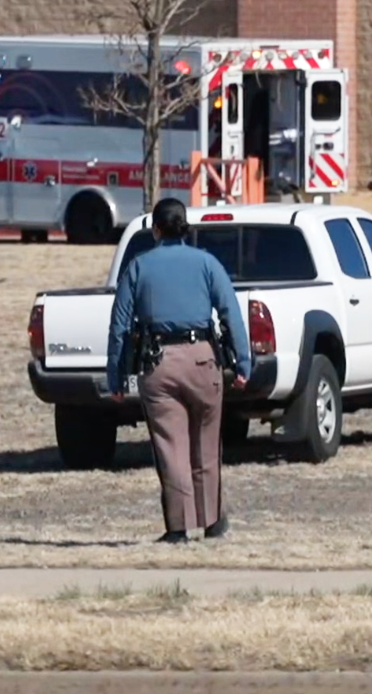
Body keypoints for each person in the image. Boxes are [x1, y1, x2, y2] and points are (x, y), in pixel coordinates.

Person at [107, 198, 252, 544]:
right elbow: (230, 312)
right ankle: (213, 520)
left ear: (155, 229)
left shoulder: (138, 267)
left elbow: (119, 326)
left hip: (158, 363)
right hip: (203, 359)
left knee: (171, 447)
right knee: (206, 444)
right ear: (184, 227)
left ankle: (178, 527)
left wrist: (117, 375)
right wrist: (242, 362)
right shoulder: (207, 263)